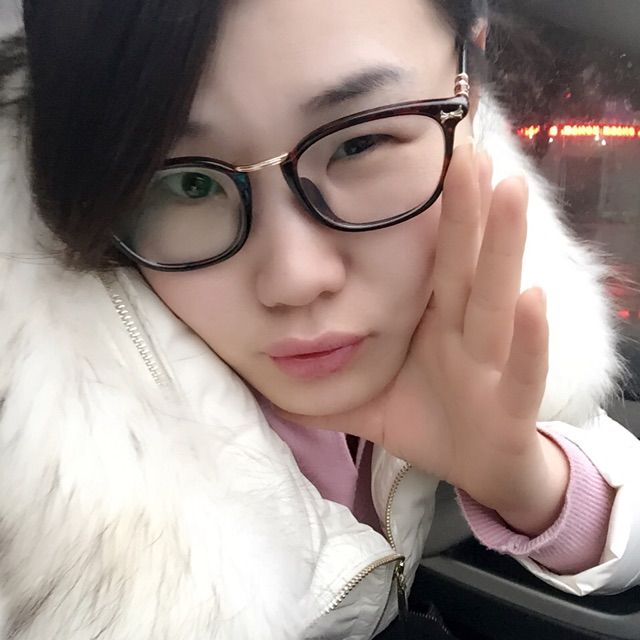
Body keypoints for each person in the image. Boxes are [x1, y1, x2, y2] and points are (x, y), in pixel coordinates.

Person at [0, 0, 639, 638]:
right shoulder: (44, 453)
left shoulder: (479, 277)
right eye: (186, 183)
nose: (295, 278)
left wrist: (526, 482)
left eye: (360, 142)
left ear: (468, 87)